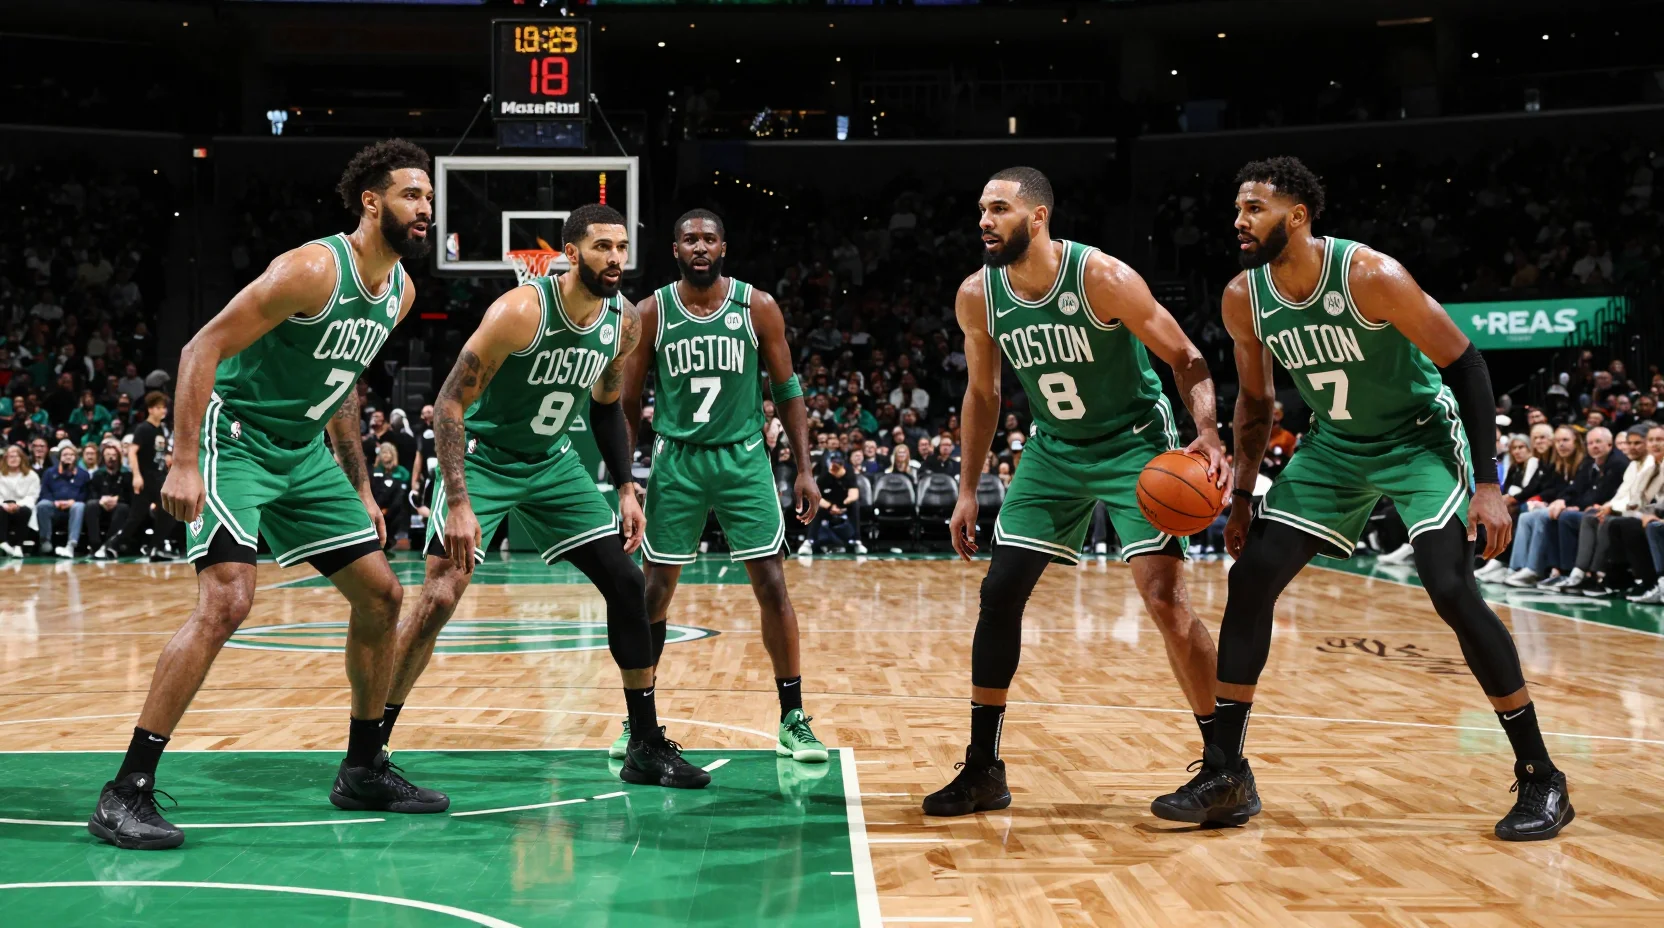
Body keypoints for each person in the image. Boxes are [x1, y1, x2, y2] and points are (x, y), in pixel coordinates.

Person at [1151, 156, 1569, 841]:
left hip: (1418, 440)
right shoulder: (1242, 298)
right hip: (1335, 448)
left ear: (1297, 215)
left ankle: (1542, 775)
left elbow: (1465, 363)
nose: (1239, 221)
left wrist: (1489, 483)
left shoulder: (1369, 275)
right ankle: (1226, 773)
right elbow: (1256, 402)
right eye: (1237, 209)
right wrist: (1245, 499)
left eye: (1254, 208)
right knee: (1250, 577)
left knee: (1450, 590)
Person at [88, 139, 447, 851]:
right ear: (372, 202)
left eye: (430, 199)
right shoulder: (313, 268)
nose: (425, 209)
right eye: (412, 195)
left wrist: (357, 484)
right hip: (239, 438)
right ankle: (124, 791)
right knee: (228, 599)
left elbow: (340, 386)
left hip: (304, 453)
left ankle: (363, 767)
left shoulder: (400, 293)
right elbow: (201, 349)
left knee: (382, 597)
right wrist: (184, 460)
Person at [924, 166, 1228, 818]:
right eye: (980, 207)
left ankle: (1228, 770)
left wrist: (1206, 431)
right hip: (1053, 449)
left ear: (1037, 217)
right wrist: (970, 487)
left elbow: (1185, 356)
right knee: (999, 591)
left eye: (999, 208)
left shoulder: (1101, 278)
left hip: (1134, 445)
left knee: (1165, 599)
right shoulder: (978, 296)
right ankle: (983, 770)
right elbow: (982, 394)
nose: (984, 219)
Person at [385, 203, 708, 790]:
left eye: (621, 248)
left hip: (554, 465)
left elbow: (609, 407)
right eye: (601, 247)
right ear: (570, 253)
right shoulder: (519, 311)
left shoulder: (623, 322)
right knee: (438, 596)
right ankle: (368, 751)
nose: (615, 259)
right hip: (485, 462)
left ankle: (644, 744)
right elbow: (451, 403)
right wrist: (458, 500)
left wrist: (626, 487)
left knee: (627, 581)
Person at [621, 209, 828, 763]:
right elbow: (627, 404)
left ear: (724, 248)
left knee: (771, 585)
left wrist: (804, 468)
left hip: (744, 459)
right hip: (676, 461)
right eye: (690, 239)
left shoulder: (756, 306)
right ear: (675, 250)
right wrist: (624, 481)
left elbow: (788, 390)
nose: (700, 247)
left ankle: (793, 718)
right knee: (653, 593)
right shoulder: (651, 312)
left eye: (710, 238)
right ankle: (638, 721)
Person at [117, 392, 180, 560]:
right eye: (159, 407)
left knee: (166, 512)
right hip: (146, 477)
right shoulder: (143, 428)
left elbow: (160, 453)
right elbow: (132, 451)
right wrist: (136, 476)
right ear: (150, 409)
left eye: (164, 407)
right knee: (136, 517)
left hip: (158, 477)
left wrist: (168, 457)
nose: (163, 411)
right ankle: (112, 545)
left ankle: (155, 547)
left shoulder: (161, 429)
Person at [37, 443, 89, 557]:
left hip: (73, 508)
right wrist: (54, 502)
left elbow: (85, 494)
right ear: (60, 457)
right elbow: (44, 493)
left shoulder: (83, 474)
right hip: (54, 507)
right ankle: (45, 540)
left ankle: (71, 544)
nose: (68, 457)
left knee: (79, 506)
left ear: (76, 458)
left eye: (71, 454)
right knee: (42, 505)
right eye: (65, 454)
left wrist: (72, 501)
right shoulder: (49, 473)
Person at [806, 451, 860, 554]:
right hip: (828, 506)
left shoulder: (849, 473)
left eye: (838, 464)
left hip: (844, 506)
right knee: (815, 508)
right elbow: (816, 497)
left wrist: (843, 505)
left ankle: (857, 541)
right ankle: (809, 541)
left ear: (842, 464)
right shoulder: (823, 476)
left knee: (855, 505)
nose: (835, 466)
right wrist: (830, 507)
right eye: (833, 463)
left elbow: (854, 494)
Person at [85, 442, 132, 559]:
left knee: (123, 508)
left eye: (114, 455)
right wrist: (101, 500)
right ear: (103, 457)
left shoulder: (127, 474)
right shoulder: (98, 474)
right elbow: (92, 493)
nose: (111, 458)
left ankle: (109, 544)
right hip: (101, 504)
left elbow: (130, 495)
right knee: (91, 505)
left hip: (119, 505)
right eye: (108, 455)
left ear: (119, 457)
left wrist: (117, 499)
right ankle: (95, 545)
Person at [370, 442, 410, 553]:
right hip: (379, 505)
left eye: (388, 452)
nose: (386, 455)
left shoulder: (401, 471)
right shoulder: (376, 471)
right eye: (383, 453)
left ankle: (390, 541)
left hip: (395, 507)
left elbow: (402, 490)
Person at [0, 446, 39, 558]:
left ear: (22, 458)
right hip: (4, 507)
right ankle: (3, 542)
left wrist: (18, 505)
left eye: (16, 456)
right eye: (10, 456)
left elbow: (32, 496)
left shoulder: (32, 476)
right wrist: (5, 505)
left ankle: (18, 546)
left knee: (25, 511)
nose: (13, 459)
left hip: (22, 508)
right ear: (6, 459)